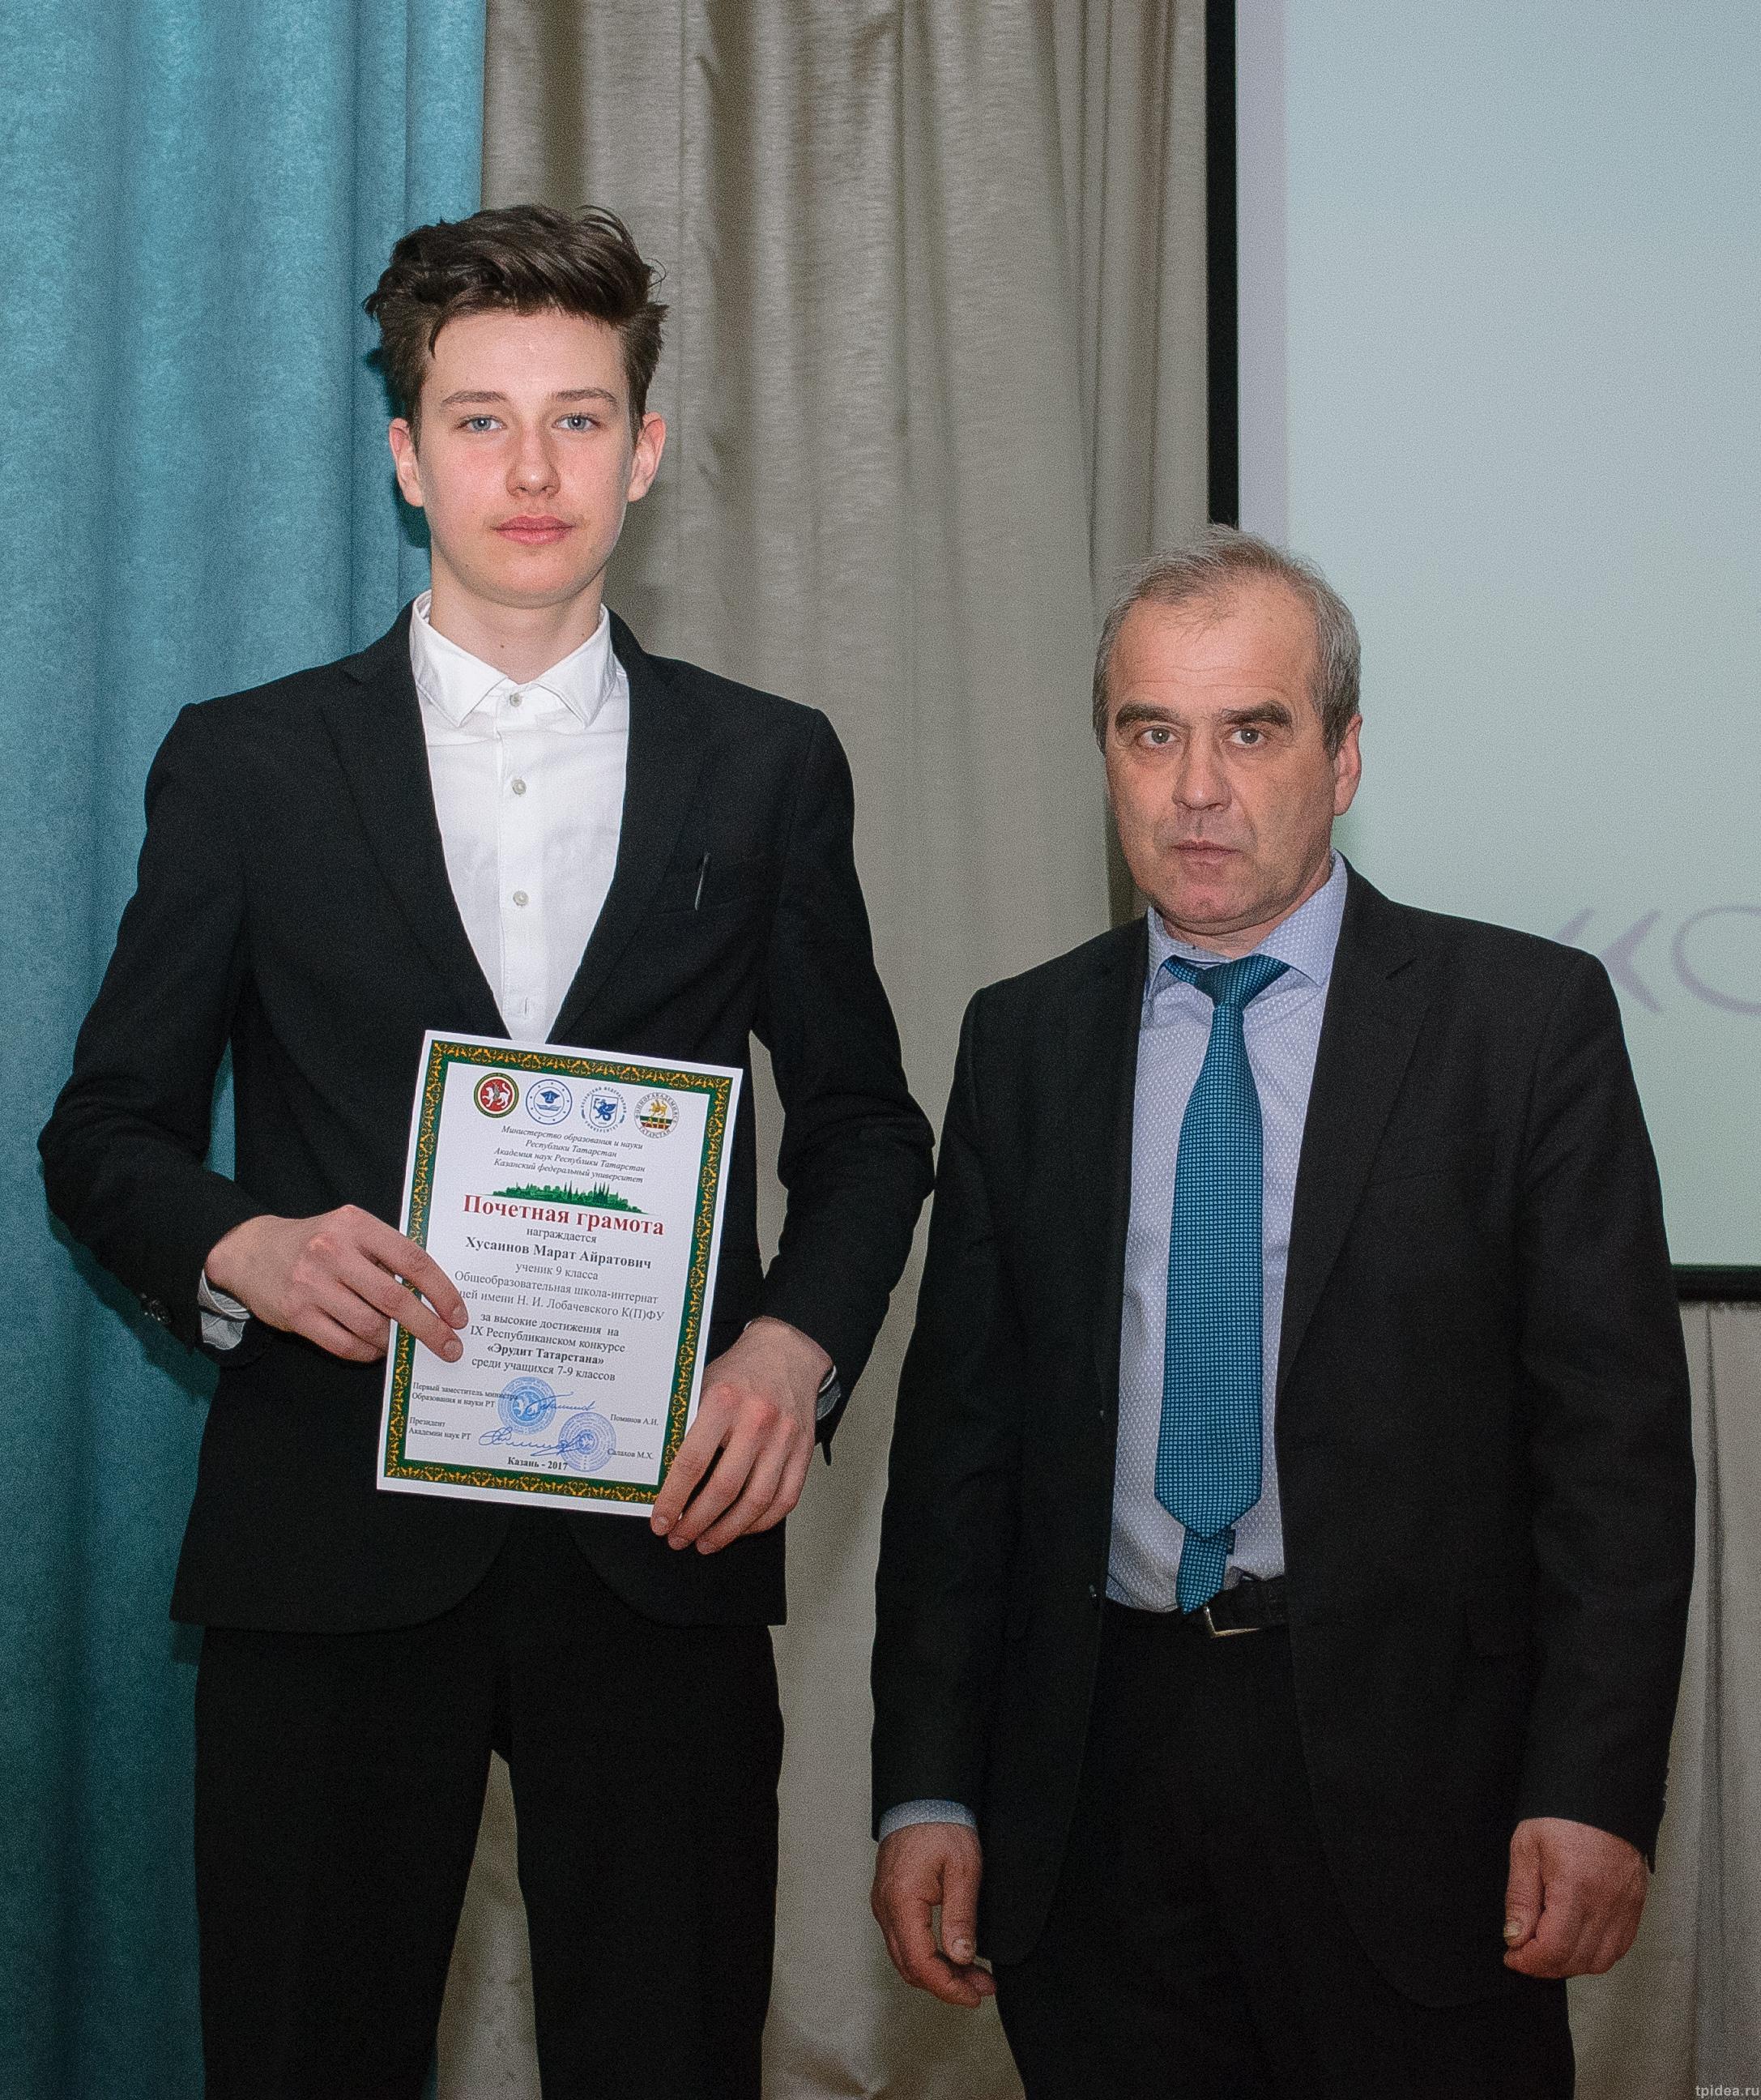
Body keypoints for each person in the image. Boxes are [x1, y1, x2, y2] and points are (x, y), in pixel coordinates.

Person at [41, 203, 932, 2100]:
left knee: (671, 2057)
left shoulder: (766, 764)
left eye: (577, 419)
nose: (531, 471)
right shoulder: (248, 765)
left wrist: (795, 1353)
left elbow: (866, 1128)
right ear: (404, 454)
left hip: (663, 1547)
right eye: (479, 420)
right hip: (326, 1545)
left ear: (646, 449)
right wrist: (246, 1252)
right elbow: (103, 1133)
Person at [868, 528, 1693, 2098]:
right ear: (1105, 757)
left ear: (1342, 756)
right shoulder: (1021, 1041)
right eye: (1150, 734)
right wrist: (927, 1790)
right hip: (1087, 1782)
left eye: (1250, 732)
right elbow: (959, 1455)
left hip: (1421, 1793)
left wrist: (1591, 1788)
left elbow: (1615, 1461)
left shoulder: (1520, 1027)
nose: (1195, 788)